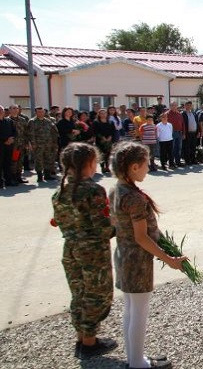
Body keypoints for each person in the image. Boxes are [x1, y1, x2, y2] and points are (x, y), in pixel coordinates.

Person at [109, 141, 185, 369]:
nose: (148, 168)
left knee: (131, 309)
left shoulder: (117, 189)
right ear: (133, 167)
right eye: (145, 164)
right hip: (137, 260)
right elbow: (142, 237)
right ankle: (137, 364)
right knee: (139, 311)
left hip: (124, 255)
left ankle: (135, 358)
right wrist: (169, 259)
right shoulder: (133, 197)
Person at [51, 142, 117, 359]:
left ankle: (82, 337)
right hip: (93, 252)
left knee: (79, 293)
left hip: (70, 249)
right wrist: (118, 225)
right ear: (89, 164)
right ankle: (89, 343)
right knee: (98, 295)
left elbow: (62, 222)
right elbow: (103, 227)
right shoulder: (93, 190)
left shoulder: (59, 192)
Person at [28, 106, 59, 182]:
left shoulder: (48, 121)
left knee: (48, 159)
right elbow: (31, 134)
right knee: (38, 160)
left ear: (44, 112)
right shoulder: (32, 121)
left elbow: (53, 132)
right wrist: (33, 144)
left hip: (48, 144)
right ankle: (39, 176)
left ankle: (47, 175)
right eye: (39, 112)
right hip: (38, 145)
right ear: (36, 112)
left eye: (42, 112)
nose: (41, 113)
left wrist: (54, 142)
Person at [92, 109, 116, 174]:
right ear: (99, 114)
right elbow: (95, 131)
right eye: (101, 113)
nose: (103, 114)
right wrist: (102, 137)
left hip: (109, 140)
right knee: (101, 154)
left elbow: (113, 130)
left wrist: (110, 136)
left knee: (108, 154)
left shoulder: (111, 122)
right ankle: (102, 167)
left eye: (104, 113)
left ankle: (107, 167)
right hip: (100, 140)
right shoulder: (96, 122)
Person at [0, 105, 18, 187]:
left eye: (2, 110)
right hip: (1, 145)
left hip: (9, 146)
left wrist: (11, 138)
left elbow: (15, 131)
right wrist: (5, 140)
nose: (1, 111)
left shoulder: (9, 121)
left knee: (8, 163)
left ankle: (8, 181)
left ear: (4, 111)